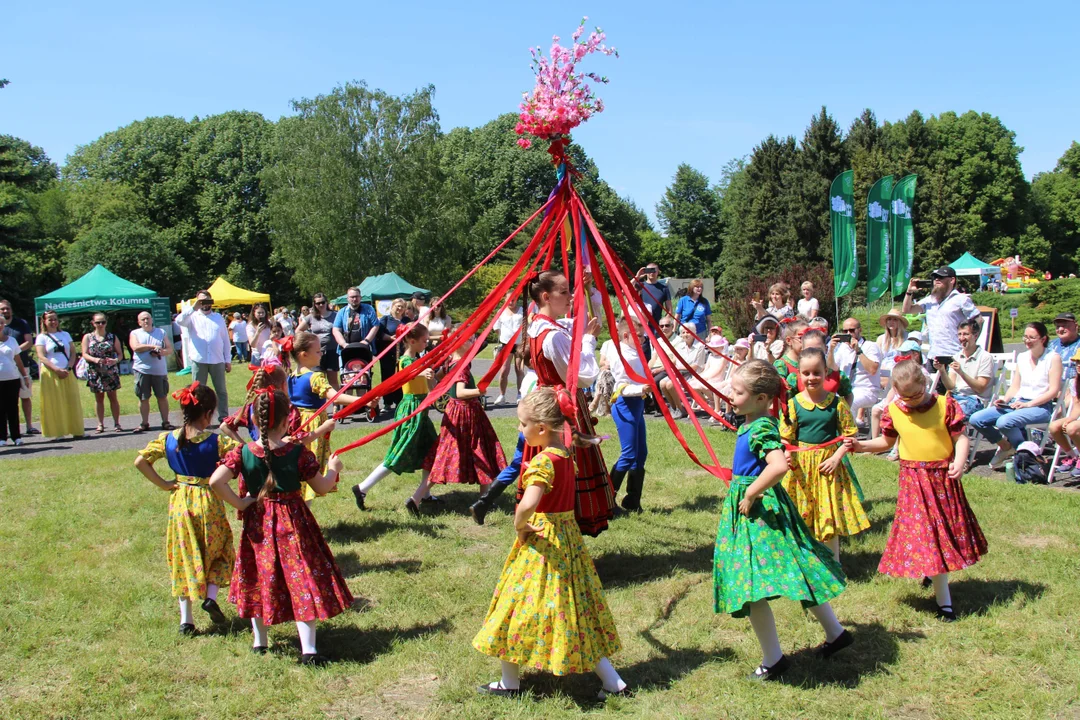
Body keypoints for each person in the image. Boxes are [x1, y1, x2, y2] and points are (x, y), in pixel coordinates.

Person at [472, 388, 627, 700]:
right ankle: (613, 682)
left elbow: (529, 504)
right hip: (567, 540)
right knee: (575, 610)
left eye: (521, 423)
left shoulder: (543, 461)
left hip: (541, 541)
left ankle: (509, 683)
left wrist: (518, 524)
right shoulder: (566, 455)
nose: (518, 429)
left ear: (541, 428)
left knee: (513, 606)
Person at [713, 360, 851, 681]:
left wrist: (750, 494)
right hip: (757, 506)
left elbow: (777, 466)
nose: (731, 396)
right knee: (797, 570)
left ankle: (774, 659)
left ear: (761, 398)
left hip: (758, 511)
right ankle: (835, 632)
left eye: (738, 391)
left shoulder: (760, 425)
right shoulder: (754, 422)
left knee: (751, 584)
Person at [210, 389, 353, 665]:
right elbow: (322, 487)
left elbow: (217, 481)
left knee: (258, 575)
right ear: (289, 418)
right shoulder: (298, 452)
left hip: (258, 523)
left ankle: (259, 643)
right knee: (301, 577)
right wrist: (334, 468)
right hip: (293, 521)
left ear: (253, 418)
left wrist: (240, 504)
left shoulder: (243, 452)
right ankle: (308, 650)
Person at [846, 360, 986, 622]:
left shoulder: (945, 405)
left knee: (941, 533)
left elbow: (960, 438)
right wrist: (860, 446)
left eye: (916, 394)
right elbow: (886, 442)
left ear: (925, 383)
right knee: (928, 533)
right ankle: (944, 602)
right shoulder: (894, 410)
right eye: (905, 396)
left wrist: (959, 461)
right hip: (914, 481)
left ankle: (933, 574)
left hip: (942, 479)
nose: (910, 401)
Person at [134, 382, 238, 635]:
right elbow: (244, 455)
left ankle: (186, 621)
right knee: (218, 550)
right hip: (209, 500)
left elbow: (140, 461)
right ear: (208, 413)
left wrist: (164, 484)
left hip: (180, 501)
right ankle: (211, 596)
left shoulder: (168, 439)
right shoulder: (218, 442)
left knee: (184, 557)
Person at [522, 270, 613, 537]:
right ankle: (561, 529)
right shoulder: (552, 334)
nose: (569, 296)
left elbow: (582, 320)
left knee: (555, 467)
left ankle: (556, 528)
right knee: (564, 468)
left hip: (547, 403)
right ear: (546, 296)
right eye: (564, 292)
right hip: (560, 409)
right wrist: (589, 340)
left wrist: (587, 290)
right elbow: (582, 376)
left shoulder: (540, 325)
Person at [780, 348, 870, 562]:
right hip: (801, 468)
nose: (812, 378)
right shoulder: (793, 405)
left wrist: (836, 457)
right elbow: (786, 437)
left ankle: (833, 563)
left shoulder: (837, 403)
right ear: (799, 374)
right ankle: (809, 561)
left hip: (828, 469)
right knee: (803, 511)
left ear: (826, 372)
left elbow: (850, 436)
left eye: (817, 373)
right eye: (806, 373)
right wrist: (786, 453)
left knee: (828, 513)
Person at [352, 323, 439, 511]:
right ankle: (362, 488)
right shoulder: (406, 361)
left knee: (432, 451)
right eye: (424, 341)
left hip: (421, 410)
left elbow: (427, 381)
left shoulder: (418, 358)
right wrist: (422, 371)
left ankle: (425, 494)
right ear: (411, 341)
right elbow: (409, 373)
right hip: (411, 411)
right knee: (398, 454)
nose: (427, 344)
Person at [423, 337, 507, 512]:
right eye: (471, 340)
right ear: (461, 344)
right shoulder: (461, 365)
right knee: (480, 449)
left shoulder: (450, 362)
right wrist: (479, 391)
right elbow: (460, 392)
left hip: (454, 411)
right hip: (466, 412)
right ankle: (484, 500)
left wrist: (431, 379)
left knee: (451, 451)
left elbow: (438, 383)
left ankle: (419, 496)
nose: (474, 342)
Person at [970, 321, 1063, 469]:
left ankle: (1025, 452)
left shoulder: (1053, 358)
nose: (1027, 340)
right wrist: (1004, 399)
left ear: (1043, 339)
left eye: (1031, 337)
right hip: (1017, 403)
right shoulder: (1022, 357)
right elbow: (1015, 386)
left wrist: (1028, 404)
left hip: (1040, 407)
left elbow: (1053, 391)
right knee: (976, 419)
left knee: (1004, 422)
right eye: (1025, 337)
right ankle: (1008, 447)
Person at [286, 332, 361, 502]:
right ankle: (306, 506)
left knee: (299, 464)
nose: (322, 354)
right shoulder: (315, 377)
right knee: (309, 466)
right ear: (304, 355)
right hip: (312, 426)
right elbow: (335, 397)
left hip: (296, 425)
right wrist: (362, 399)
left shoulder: (291, 376)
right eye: (318, 351)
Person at [470, 350, 539, 525]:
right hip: (534, 431)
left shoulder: (528, 378)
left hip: (526, 427)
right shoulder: (536, 380)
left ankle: (483, 502)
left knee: (516, 465)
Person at [600, 314, 650, 511]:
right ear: (627, 335)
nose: (643, 339)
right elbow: (620, 386)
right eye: (639, 336)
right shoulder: (621, 355)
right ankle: (607, 499)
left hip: (637, 404)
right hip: (625, 404)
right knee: (629, 454)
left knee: (641, 453)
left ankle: (632, 500)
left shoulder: (635, 351)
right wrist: (642, 389)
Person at [902, 266, 980, 362]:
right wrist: (909, 292)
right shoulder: (930, 299)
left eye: (941, 277)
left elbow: (979, 320)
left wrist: (972, 341)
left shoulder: (961, 299)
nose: (936, 279)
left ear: (952, 280)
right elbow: (907, 310)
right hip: (934, 355)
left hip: (955, 353)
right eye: (935, 277)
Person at [177, 290, 232, 423]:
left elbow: (225, 340)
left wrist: (227, 359)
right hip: (199, 359)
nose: (204, 304)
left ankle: (223, 416)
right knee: (197, 391)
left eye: (207, 300)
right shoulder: (192, 316)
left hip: (217, 359)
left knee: (221, 390)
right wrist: (193, 307)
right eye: (202, 301)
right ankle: (198, 417)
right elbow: (179, 320)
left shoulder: (218, 317)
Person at [35, 311, 84, 440]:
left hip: (67, 372)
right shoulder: (42, 337)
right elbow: (41, 356)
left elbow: (73, 352)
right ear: (44, 321)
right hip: (51, 373)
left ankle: (77, 430)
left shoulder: (65, 334)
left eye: (55, 319)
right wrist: (56, 369)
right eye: (50, 319)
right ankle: (58, 432)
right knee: (55, 402)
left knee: (72, 400)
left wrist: (68, 367)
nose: (53, 322)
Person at [935, 320, 994, 420]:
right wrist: (942, 370)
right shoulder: (956, 357)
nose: (962, 338)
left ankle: (955, 435)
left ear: (975, 336)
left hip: (975, 400)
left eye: (966, 334)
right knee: (931, 412)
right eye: (959, 334)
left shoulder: (985, 357)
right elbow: (951, 386)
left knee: (949, 417)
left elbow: (980, 388)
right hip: (955, 398)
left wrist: (961, 373)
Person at [828, 318, 882, 425]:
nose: (848, 333)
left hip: (866, 390)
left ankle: (850, 437)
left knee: (849, 403)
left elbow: (873, 369)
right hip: (845, 388)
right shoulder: (842, 348)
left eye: (852, 330)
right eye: (845, 331)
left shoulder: (870, 346)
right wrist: (831, 350)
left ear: (860, 330)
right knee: (826, 401)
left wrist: (858, 351)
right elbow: (831, 369)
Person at [129, 311, 174, 432]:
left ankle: (165, 422)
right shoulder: (135, 333)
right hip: (142, 370)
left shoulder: (161, 332)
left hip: (159, 371)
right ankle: (144, 423)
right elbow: (135, 347)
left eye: (147, 318)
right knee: (143, 398)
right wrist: (151, 347)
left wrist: (161, 352)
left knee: (162, 396)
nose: (146, 321)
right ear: (139, 322)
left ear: (152, 319)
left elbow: (169, 349)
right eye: (143, 319)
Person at [81, 312, 124, 433]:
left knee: (113, 397)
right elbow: (84, 354)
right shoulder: (88, 337)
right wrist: (95, 360)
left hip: (110, 371)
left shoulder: (112, 337)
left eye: (103, 322)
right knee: (99, 398)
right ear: (93, 323)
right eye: (97, 322)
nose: (100, 324)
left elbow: (120, 354)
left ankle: (117, 423)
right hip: (95, 371)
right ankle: (100, 424)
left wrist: (115, 360)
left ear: (106, 323)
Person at [0, 299, 38, 436]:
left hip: (22, 364)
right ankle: (5, 432)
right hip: (4, 371)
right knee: (4, 403)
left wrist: (14, 351)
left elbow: (29, 342)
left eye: (7, 308)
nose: (5, 311)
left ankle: (29, 426)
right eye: (2, 309)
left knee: (25, 396)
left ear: (11, 309)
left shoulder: (21, 323)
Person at [658, 323, 708, 419]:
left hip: (693, 374)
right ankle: (674, 407)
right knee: (662, 383)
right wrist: (667, 367)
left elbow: (694, 367)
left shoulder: (700, 346)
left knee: (670, 384)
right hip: (679, 373)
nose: (685, 334)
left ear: (694, 333)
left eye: (688, 332)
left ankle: (681, 409)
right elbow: (675, 361)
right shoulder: (680, 346)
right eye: (683, 332)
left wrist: (677, 368)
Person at [297, 292, 339, 389]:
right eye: (318, 303)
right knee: (317, 379)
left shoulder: (335, 315)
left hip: (332, 351)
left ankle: (336, 403)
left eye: (323, 302)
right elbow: (298, 331)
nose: (321, 305)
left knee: (333, 380)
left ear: (326, 302)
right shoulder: (310, 317)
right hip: (316, 352)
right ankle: (319, 404)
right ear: (314, 304)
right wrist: (308, 340)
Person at [0, 313, 30, 447]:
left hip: (12, 378)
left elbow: (18, 360)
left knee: (13, 407)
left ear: (4, 325)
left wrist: (24, 376)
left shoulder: (11, 340)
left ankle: (16, 436)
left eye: (1, 323)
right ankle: (2, 437)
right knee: (0, 409)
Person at [633, 262, 672, 360]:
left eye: (654, 270)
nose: (652, 273)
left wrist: (665, 322)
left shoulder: (663, 288)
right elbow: (624, 289)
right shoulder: (640, 286)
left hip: (657, 325)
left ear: (658, 272)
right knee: (642, 349)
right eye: (649, 270)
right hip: (641, 324)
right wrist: (637, 276)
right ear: (645, 272)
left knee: (657, 349)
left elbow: (669, 309)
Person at [332, 287, 380, 367]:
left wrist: (366, 341)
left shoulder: (369, 309)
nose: (354, 299)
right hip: (346, 350)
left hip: (364, 350)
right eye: (352, 297)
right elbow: (336, 330)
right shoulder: (341, 312)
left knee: (364, 376)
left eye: (356, 296)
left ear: (360, 297)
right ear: (347, 298)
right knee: (346, 375)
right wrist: (344, 344)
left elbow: (375, 325)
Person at [373, 298, 406, 409]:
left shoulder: (406, 320)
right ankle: (387, 403)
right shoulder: (385, 319)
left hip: (402, 353)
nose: (400, 308)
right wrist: (390, 338)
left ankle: (399, 401)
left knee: (400, 377)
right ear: (392, 306)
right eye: (398, 306)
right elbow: (379, 334)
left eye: (402, 306)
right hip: (388, 354)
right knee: (387, 377)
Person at [493, 294, 524, 405]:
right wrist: (504, 336)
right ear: (505, 300)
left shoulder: (522, 310)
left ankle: (520, 395)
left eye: (513, 299)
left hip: (519, 344)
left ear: (517, 299)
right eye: (509, 300)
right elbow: (496, 328)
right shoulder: (500, 312)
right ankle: (502, 395)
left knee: (519, 370)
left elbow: (527, 325)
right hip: (506, 344)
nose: (511, 302)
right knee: (504, 371)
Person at [876, 309, 910, 385]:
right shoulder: (881, 339)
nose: (891, 322)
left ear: (900, 322)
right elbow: (878, 357)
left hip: (901, 369)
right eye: (889, 319)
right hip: (884, 370)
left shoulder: (907, 337)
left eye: (895, 320)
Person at [772, 319, 808, 389]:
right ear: (789, 341)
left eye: (808, 337)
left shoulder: (811, 361)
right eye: (801, 338)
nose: (806, 341)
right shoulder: (781, 365)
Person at [1047, 312, 1080, 382]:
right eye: (1058, 326)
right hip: (1051, 387)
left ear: (1076, 326)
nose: (1060, 329)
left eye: (1065, 326)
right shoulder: (1050, 345)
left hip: (1074, 389)